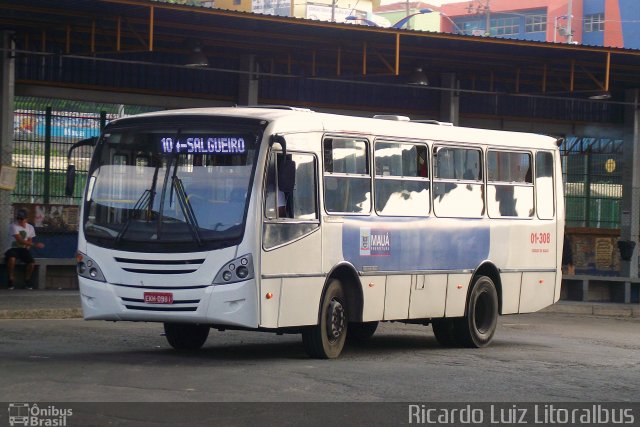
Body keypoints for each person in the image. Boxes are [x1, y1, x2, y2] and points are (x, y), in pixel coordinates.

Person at [4, 209, 45, 289]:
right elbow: (19, 240)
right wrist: (35, 245)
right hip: (12, 248)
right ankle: (10, 279)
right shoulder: (13, 226)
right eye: (18, 218)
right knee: (12, 259)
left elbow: (29, 239)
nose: (20, 220)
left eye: (22, 219)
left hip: (22, 249)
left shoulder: (30, 227)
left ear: (26, 219)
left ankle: (27, 280)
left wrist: (27, 248)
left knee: (31, 263)